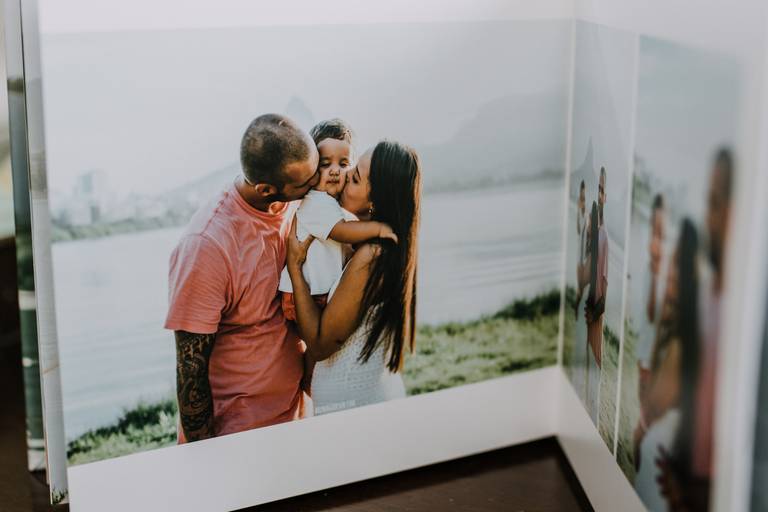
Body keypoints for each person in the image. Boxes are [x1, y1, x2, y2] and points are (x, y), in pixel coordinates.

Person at [165, 114, 319, 442]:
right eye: (306, 184)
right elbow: (190, 370)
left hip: (294, 415)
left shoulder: (293, 205)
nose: (316, 184)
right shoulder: (208, 245)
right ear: (267, 189)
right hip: (239, 433)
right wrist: (202, 457)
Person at [286, 140, 421, 415]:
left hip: (355, 408)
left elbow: (322, 344)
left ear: (376, 201)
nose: (345, 176)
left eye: (355, 176)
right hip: (364, 398)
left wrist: (295, 268)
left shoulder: (372, 255)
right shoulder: (372, 244)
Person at [278, 119, 396, 322]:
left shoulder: (330, 204)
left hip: (317, 288)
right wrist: (377, 228)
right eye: (325, 164)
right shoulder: (316, 202)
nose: (335, 171)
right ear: (311, 168)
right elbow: (341, 231)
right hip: (306, 294)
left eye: (343, 164)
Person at [633, 219, 699, 512]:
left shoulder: (678, 347)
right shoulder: (679, 337)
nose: (670, 274)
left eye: (677, 265)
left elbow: (650, 403)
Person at [636, 194, 666, 416]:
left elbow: (651, 311)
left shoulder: (662, 273)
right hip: (644, 349)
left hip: (653, 355)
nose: (654, 241)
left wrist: (657, 276)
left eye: (660, 234)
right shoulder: (649, 268)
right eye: (653, 233)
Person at [575, 180, 588, 316]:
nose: (583, 200)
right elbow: (578, 230)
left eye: (584, 198)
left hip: (586, 255)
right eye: (581, 198)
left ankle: (577, 310)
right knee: (580, 287)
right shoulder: (581, 213)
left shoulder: (588, 215)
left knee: (582, 287)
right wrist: (579, 210)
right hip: (580, 255)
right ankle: (576, 310)